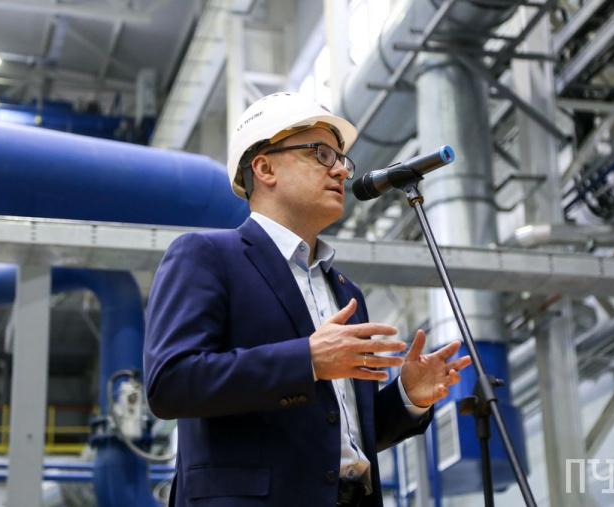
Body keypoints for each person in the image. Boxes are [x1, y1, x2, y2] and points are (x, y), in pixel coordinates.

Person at [144, 92, 472, 507]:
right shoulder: (207, 256)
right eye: (321, 154)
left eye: (342, 159)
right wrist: (308, 360)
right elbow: (170, 383)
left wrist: (408, 396)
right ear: (265, 168)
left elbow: (337, 436)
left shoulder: (345, 291)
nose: (341, 170)